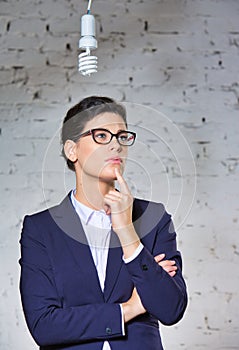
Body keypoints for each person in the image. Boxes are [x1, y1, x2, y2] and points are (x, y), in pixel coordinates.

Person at [19, 96, 188, 350]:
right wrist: (129, 309)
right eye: (101, 135)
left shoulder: (154, 219)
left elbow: (170, 308)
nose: (115, 145)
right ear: (71, 150)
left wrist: (127, 232)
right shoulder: (41, 229)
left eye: (121, 136)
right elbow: (44, 326)